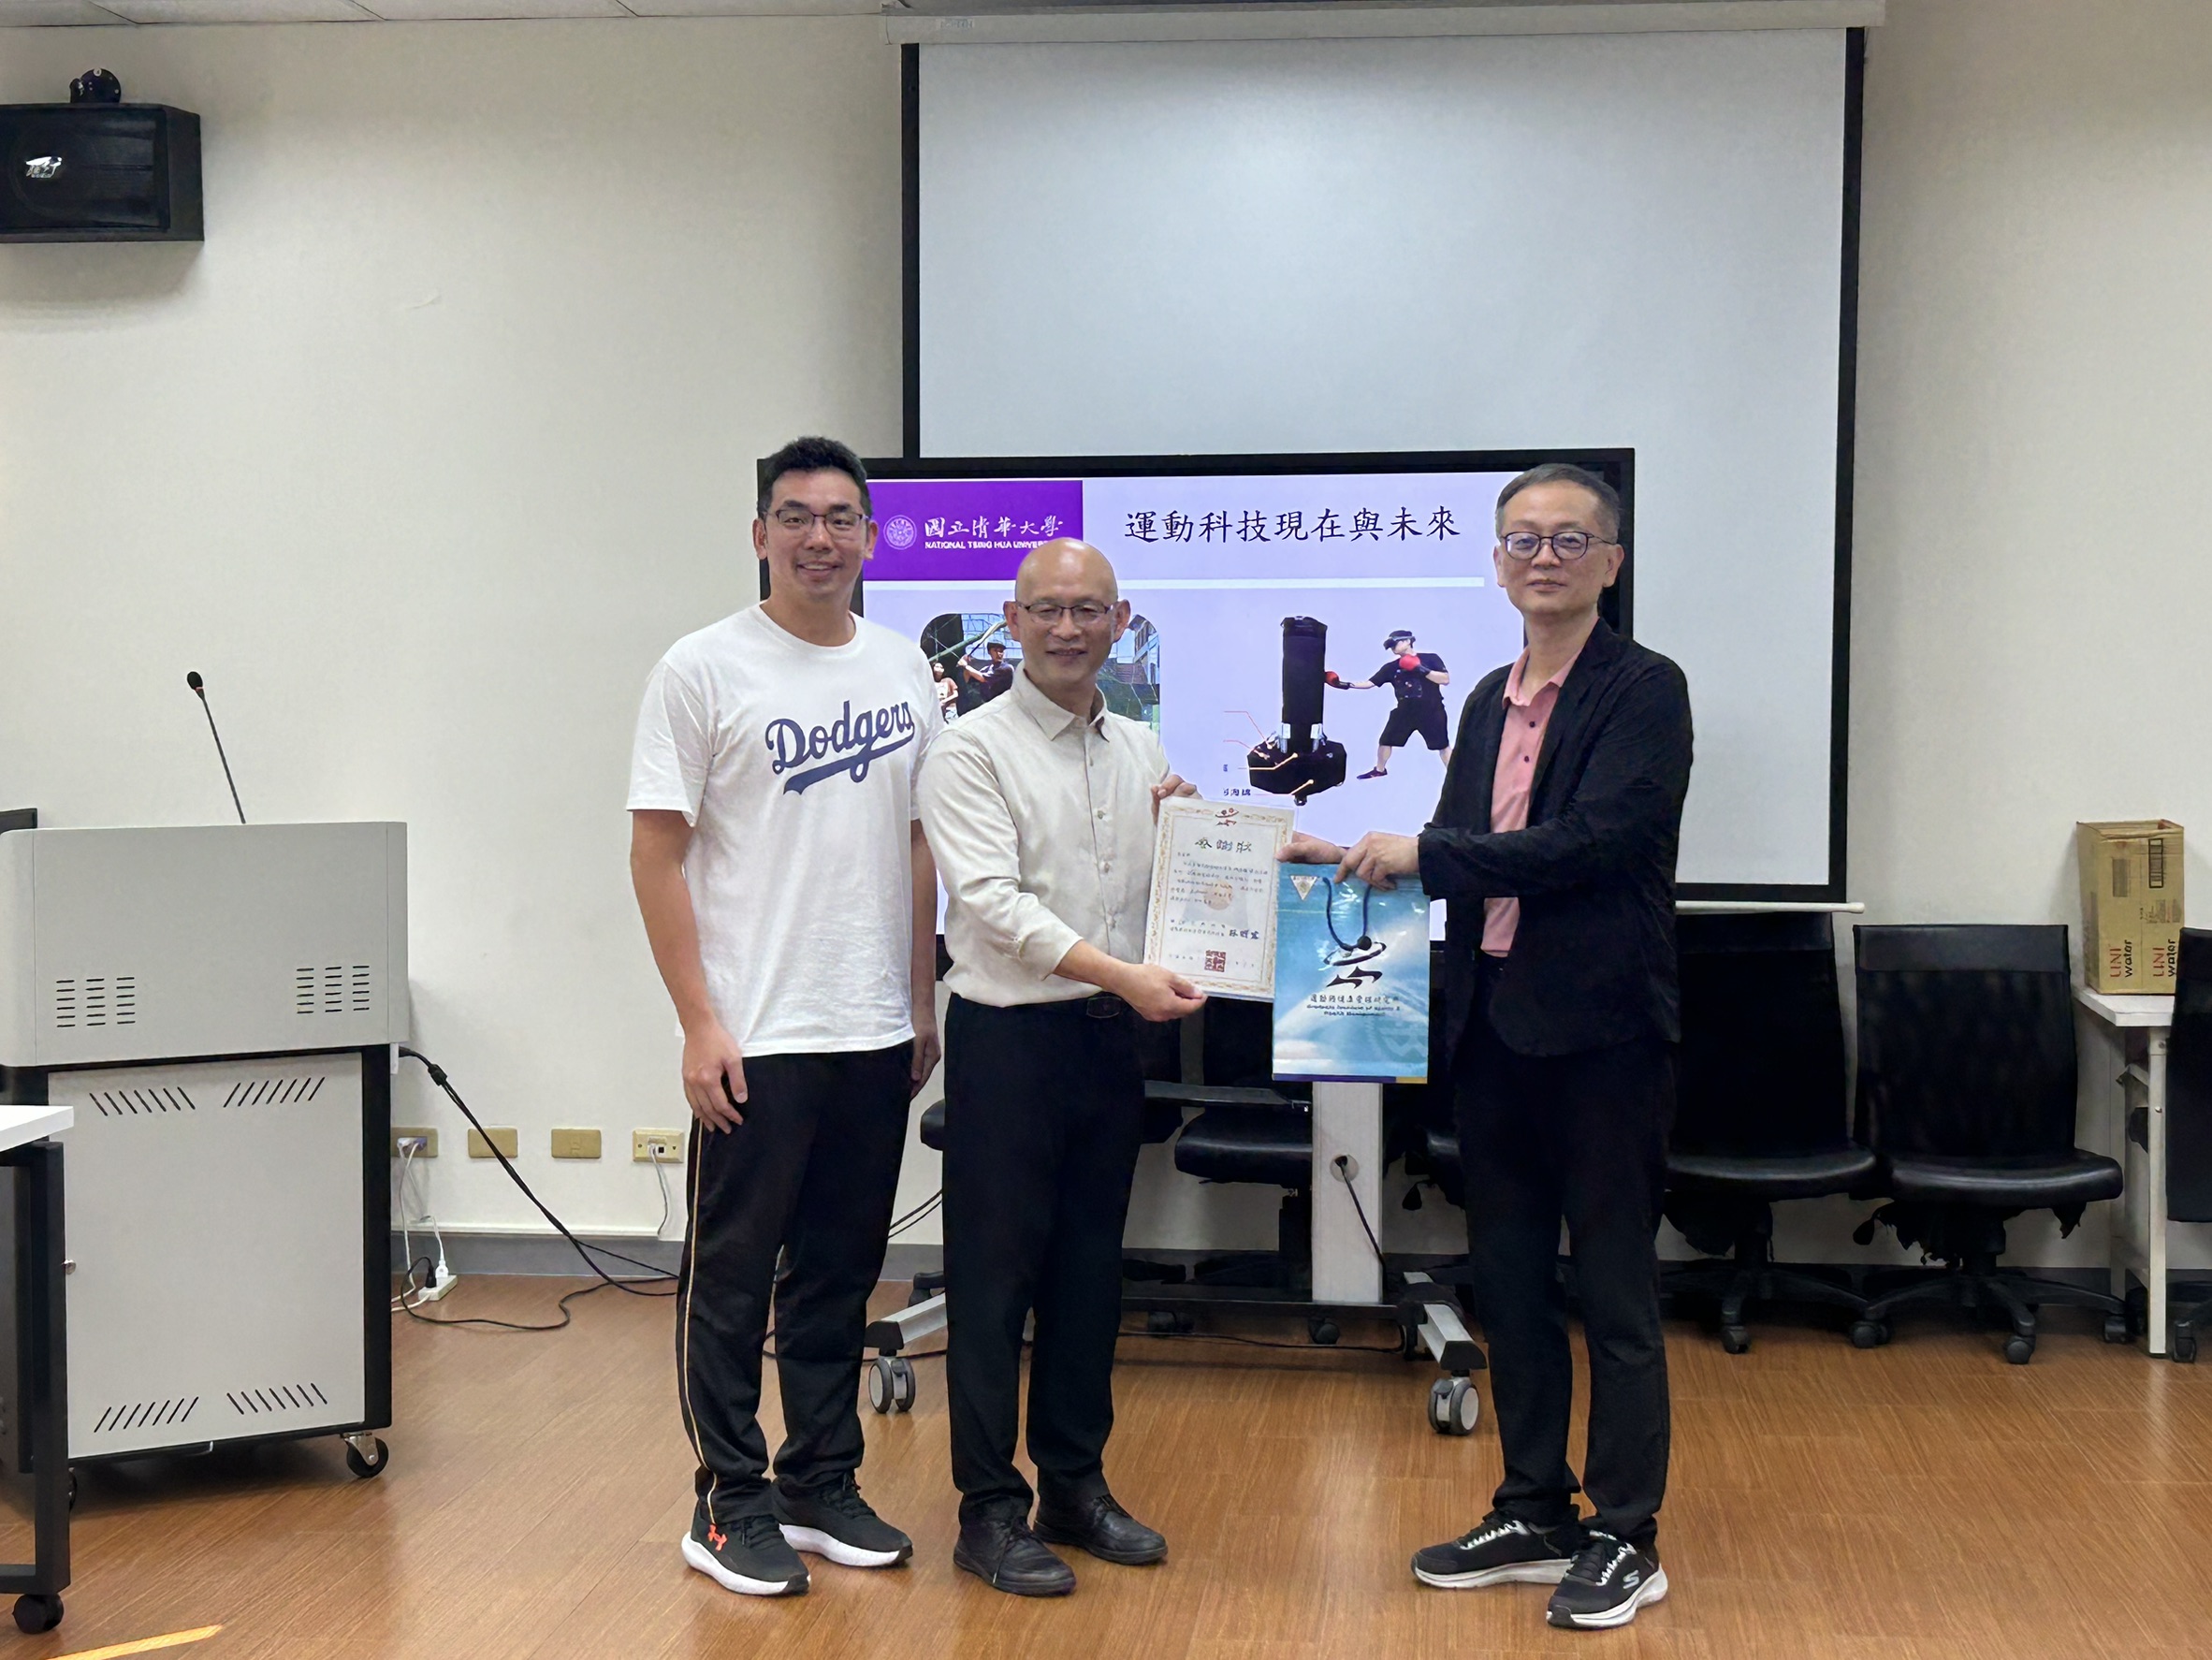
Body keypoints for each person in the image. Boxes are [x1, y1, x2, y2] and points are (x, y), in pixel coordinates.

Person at [1283, 462, 1693, 1632]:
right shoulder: (1478, 698)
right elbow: (1456, 846)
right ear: (1498, 563)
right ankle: (1533, 1506)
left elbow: (1596, 842)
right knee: (1509, 1283)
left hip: (1604, 1034)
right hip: (1493, 1023)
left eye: (1570, 538)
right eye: (1523, 538)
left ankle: (1626, 1532)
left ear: (1611, 562)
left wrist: (1423, 854)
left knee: (1612, 1288)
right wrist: (1348, 858)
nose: (1544, 556)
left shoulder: (1645, 689)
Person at [628, 435, 942, 1601]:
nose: (821, 538)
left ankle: (820, 1479)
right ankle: (728, 1497)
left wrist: (918, 998)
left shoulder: (904, 667)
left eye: (841, 518)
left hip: (871, 1027)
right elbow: (655, 856)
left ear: (871, 538)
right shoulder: (702, 668)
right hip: (756, 1033)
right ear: (761, 534)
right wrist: (697, 1023)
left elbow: (919, 845)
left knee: (839, 1271)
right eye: (797, 517)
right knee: (732, 1276)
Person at [917, 538, 1203, 1598]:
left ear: (1121, 622)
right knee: (994, 1283)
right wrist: (1122, 975)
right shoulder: (969, 750)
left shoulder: (1138, 747)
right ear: (1012, 621)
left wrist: (1193, 840)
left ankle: (1074, 1487)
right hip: (1011, 1042)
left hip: (1108, 1040)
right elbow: (992, 904)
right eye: (1047, 609)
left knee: (1089, 1275)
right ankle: (989, 1510)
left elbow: (1154, 891)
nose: (1069, 628)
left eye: (1090, 610)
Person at [1328, 629, 1452, 777]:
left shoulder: (1430, 658)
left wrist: (1421, 669)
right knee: (1385, 740)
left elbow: (1445, 680)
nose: (1393, 648)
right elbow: (1370, 683)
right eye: (1390, 646)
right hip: (1405, 711)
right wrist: (1344, 684)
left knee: (1443, 745)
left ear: (1408, 641)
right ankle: (1380, 769)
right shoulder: (1391, 667)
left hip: (1431, 710)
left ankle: (1454, 773)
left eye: (1395, 644)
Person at [962, 637, 1015, 705]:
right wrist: (965, 666)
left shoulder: (1006, 668)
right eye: (995, 651)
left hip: (1004, 705)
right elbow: (968, 680)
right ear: (989, 652)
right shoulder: (985, 669)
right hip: (988, 705)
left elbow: (983, 678)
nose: (999, 654)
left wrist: (965, 666)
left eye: (1001, 651)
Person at [932, 657, 960, 721]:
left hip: (950, 709)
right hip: (937, 711)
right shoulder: (931, 683)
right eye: (937, 667)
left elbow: (956, 694)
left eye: (941, 667)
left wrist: (944, 701)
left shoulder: (948, 680)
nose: (939, 669)